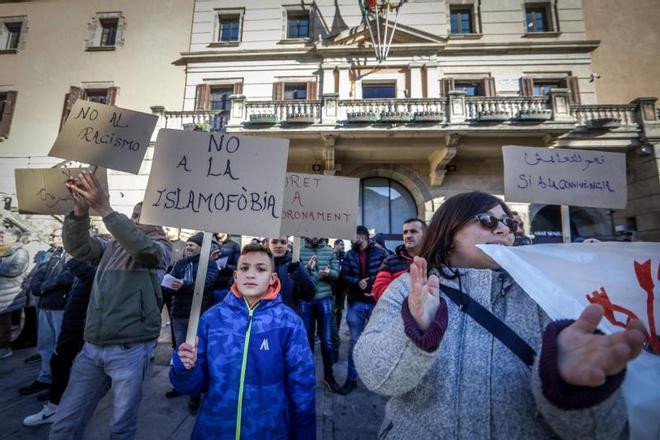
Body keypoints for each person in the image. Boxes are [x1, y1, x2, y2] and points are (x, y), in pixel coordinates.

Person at [354, 191, 645, 439]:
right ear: (449, 231)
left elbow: (599, 432)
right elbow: (376, 378)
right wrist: (416, 329)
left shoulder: (543, 291)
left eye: (508, 222)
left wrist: (571, 387)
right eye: (487, 220)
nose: (504, 230)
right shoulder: (408, 286)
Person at [49, 171, 171, 439]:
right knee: (64, 423)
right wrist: (80, 212)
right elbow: (78, 246)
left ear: (160, 224)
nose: (136, 218)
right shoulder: (112, 247)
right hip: (92, 348)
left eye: (144, 215)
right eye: (135, 214)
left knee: (120, 427)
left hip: (129, 350)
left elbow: (143, 250)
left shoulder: (162, 248)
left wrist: (104, 207)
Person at [170, 243, 316, 439]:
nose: (251, 274)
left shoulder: (289, 323)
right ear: (235, 275)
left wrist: (305, 432)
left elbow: (302, 387)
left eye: (261, 269)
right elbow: (193, 386)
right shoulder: (211, 319)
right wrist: (184, 367)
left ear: (273, 278)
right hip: (214, 430)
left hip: (269, 431)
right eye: (244, 268)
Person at [23, 259, 96, 426]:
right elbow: (38, 276)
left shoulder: (95, 259)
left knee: (69, 366)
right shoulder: (56, 256)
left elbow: (85, 280)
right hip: (71, 321)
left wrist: (76, 263)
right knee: (58, 362)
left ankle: (61, 409)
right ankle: (56, 406)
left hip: (81, 325)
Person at [162, 232, 219, 409]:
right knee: (181, 352)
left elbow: (207, 283)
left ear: (201, 248)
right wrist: (170, 286)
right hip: (179, 313)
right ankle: (179, 384)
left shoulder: (209, 265)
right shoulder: (179, 264)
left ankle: (195, 394)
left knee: (196, 354)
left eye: (192, 245)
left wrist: (185, 285)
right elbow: (169, 283)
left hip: (198, 315)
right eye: (187, 245)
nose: (188, 248)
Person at [338, 225, 388, 394]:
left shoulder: (381, 253)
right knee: (354, 342)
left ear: (364, 237)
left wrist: (372, 281)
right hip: (356, 303)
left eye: (356, 237)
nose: (353, 240)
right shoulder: (350, 255)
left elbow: (388, 271)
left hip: (377, 303)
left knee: (378, 342)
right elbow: (343, 276)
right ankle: (352, 379)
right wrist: (356, 282)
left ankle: (377, 378)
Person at [19, 245, 73, 397]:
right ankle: (45, 377)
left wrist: (43, 286)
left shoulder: (78, 252)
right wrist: (40, 286)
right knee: (45, 345)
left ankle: (60, 383)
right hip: (45, 305)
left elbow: (68, 277)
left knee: (60, 347)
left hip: (62, 307)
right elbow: (38, 274)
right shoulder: (54, 254)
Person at [299, 237, 342, 393]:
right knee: (306, 341)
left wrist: (329, 272)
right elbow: (296, 274)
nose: (315, 236)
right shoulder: (300, 251)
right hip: (306, 300)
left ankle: (329, 377)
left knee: (327, 341)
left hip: (324, 299)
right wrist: (307, 267)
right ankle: (307, 378)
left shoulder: (330, 252)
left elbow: (337, 274)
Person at [372, 218, 426, 302]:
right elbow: (378, 290)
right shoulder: (390, 261)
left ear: (425, 235)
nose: (408, 236)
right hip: (398, 313)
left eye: (413, 231)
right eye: (405, 232)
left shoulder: (436, 260)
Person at [0, 227, 29, 359]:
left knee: (3, 322)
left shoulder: (20, 252)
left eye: (3, 235)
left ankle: (4, 347)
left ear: (14, 238)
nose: (0, 237)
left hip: (8, 294)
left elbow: (14, 270)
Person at [266, 236, 314, 314]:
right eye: (274, 242)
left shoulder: (295, 264)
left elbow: (308, 295)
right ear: (268, 243)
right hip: (266, 319)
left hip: (290, 317)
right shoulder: (261, 266)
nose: (279, 245)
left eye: (283, 242)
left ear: (287, 244)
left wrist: (300, 272)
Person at [331, 239, 346, 363]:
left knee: (338, 316)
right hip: (331, 292)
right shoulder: (331, 255)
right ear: (336, 245)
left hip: (341, 293)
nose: (342, 246)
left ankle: (335, 343)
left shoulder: (344, 257)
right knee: (332, 320)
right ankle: (333, 343)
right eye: (341, 244)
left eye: (343, 245)